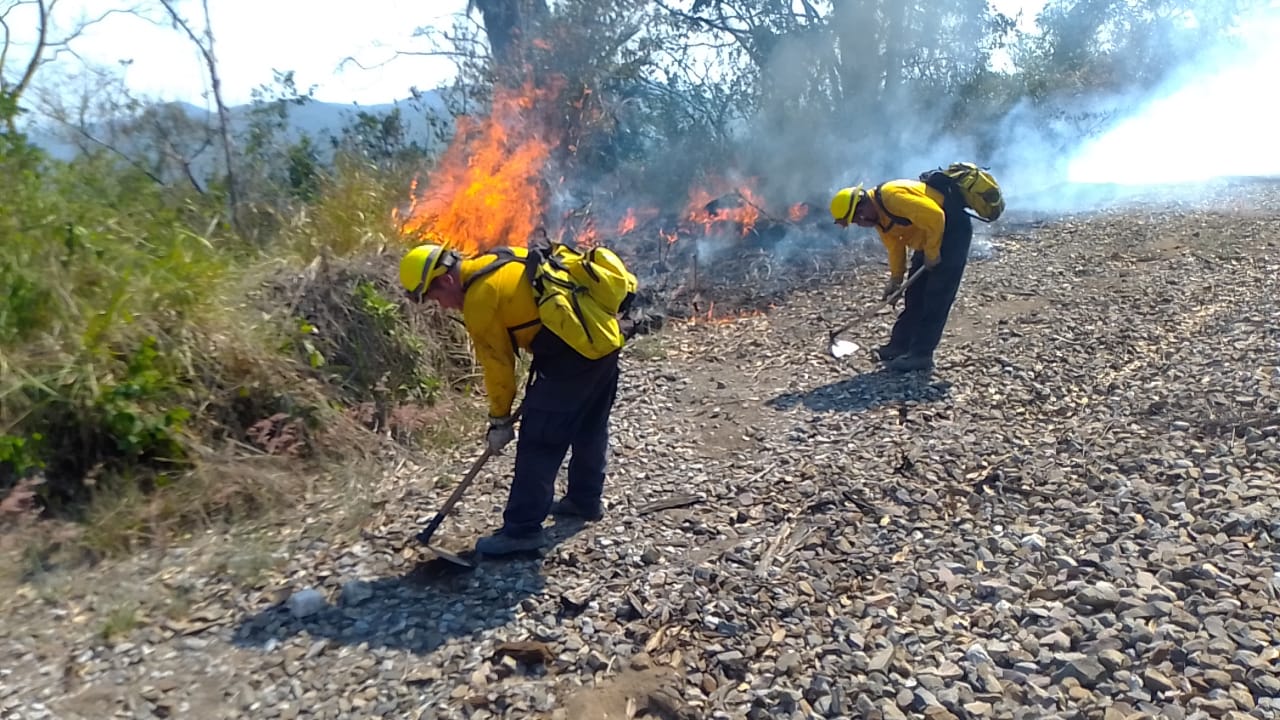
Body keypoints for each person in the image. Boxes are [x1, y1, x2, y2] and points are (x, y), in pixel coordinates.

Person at [398, 242, 621, 556]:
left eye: (435, 298)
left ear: (446, 280)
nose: (443, 307)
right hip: (604, 343)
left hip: (571, 357)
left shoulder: (479, 299)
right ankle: (584, 501)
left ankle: (522, 531)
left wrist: (499, 420)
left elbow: (499, 368)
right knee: (590, 426)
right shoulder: (500, 258)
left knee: (539, 441)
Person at [829, 177, 973, 373]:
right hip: (929, 236)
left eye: (856, 220)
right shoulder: (879, 217)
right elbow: (895, 247)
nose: (859, 225)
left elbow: (936, 216)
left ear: (861, 209)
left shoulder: (893, 197)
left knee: (936, 296)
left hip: (952, 231)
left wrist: (932, 254)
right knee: (914, 295)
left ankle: (921, 355)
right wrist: (895, 281)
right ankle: (900, 345)